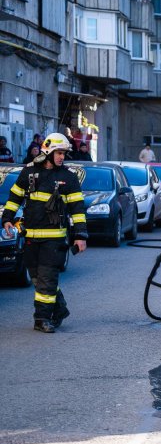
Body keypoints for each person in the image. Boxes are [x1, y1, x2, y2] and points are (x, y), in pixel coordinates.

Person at [1, 133, 88, 333]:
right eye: (59, 153)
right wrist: (6, 218)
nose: (62, 157)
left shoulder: (68, 177)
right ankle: (60, 309)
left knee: (48, 278)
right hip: (30, 237)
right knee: (37, 279)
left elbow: (77, 209)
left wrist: (81, 236)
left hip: (54, 239)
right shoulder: (29, 172)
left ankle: (41, 318)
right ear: (47, 151)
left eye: (64, 153)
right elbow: (15, 197)